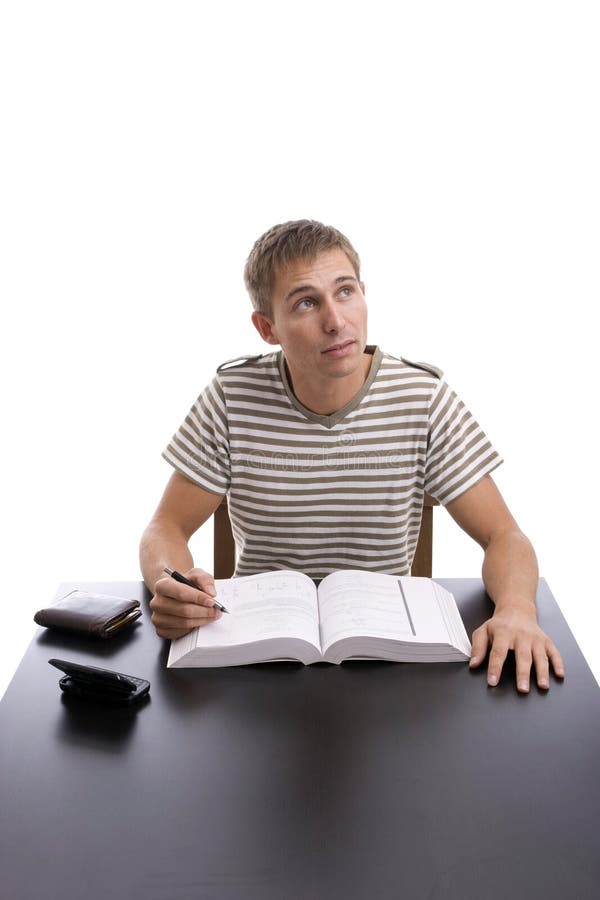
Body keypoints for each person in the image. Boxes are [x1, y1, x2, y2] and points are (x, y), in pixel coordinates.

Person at [140, 219, 564, 693]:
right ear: (267, 328)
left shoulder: (422, 398)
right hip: (260, 659)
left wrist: (516, 610)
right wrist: (172, 583)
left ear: (363, 293)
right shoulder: (230, 396)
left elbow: (504, 535)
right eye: (306, 302)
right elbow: (165, 528)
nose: (336, 321)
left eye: (344, 292)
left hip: (389, 660)